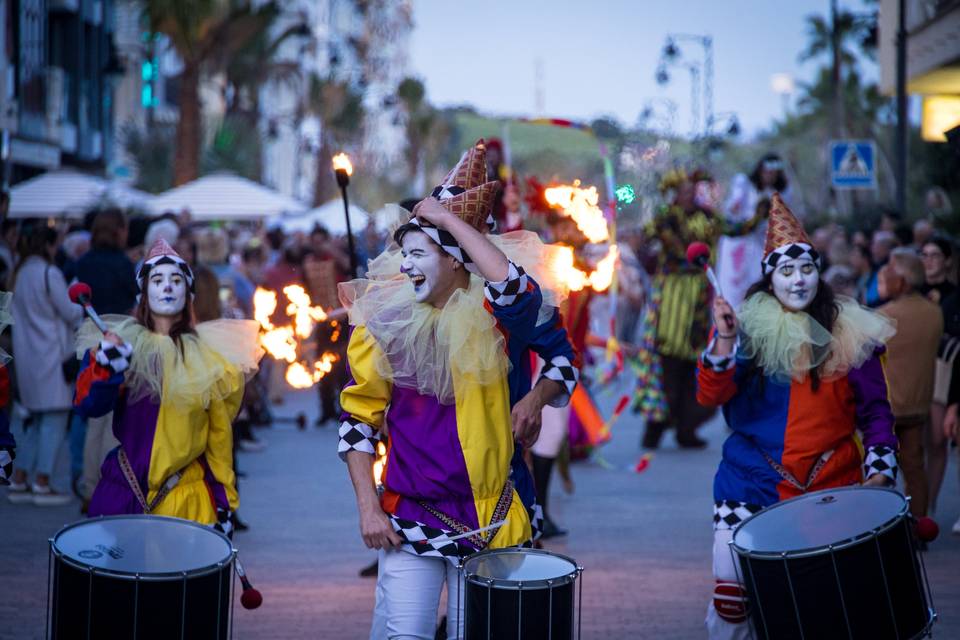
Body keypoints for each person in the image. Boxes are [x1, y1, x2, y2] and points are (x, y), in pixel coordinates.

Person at [339, 141, 557, 638]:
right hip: (412, 517)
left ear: (458, 260)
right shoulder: (384, 325)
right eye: (405, 254)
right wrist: (367, 508)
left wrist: (447, 220)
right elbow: (357, 422)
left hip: (492, 519)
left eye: (419, 254)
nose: (407, 266)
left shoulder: (496, 319)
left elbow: (517, 289)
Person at [697, 194, 898, 640]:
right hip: (749, 483)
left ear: (818, 272)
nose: (799, 279)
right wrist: (725, 341)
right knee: (732, 602)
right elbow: (711, 393)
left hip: (832, 488)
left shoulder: (848, 330)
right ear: (771, 279)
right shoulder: (746, 326)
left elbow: (876, 413)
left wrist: (880, 471)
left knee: (827, 607)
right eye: (787, 271)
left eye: (806, 268)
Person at [73, 239, 261, 530]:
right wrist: (107, 371)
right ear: (144, 292)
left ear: (188, 292)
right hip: (123, 495)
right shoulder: (120, 346)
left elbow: (219, 438)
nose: (168, 287)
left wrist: (224, 504)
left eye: (176, 280)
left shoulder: (210, 359)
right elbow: (89, 407)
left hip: (187, 504)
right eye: (157, 280)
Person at [635, 167, 766, 450]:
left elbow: (735, 228)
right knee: (668, 362)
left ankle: (687, 429)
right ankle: (655, 428)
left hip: (698, 295)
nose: (689, 194)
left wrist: (759, 215)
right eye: (683, 190)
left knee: (695, 362)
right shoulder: (665, 216)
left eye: (692, 189)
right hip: (671, 294)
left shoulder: (708, 217)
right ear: (675, 192)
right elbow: (647, 236)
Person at [7, 223, 85, 505]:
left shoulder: (19, 272)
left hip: (27, 356)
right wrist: (84, 305)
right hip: (52, 356)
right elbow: (69, 312)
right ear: (50, 245)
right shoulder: (48, 272)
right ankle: (42, 480)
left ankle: (20, 477)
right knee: (53, 419)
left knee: (34, 421)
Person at [73, 209, 140, 505]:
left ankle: (88, 486)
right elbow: (135, 300)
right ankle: (104, 484)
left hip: (91, 336)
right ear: (118, 231)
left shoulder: (83, 262)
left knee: (93, 418)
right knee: (113, 412)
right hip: (120, 337)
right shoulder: (124, 264)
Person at [879, 248, 943, 521]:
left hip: (885, 407)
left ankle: (881, 525)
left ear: (902, 280)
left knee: (879, 470)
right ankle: (919, 524)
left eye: (891, 271)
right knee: (915, 467)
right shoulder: (934, 312)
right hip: (918, 406)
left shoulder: (884, 316)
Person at [718, 153, 791, 309]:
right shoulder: (744, 184)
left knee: (757, 284)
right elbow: (733, 208)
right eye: (767, 171)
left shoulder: (780, 192)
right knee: (733, 287)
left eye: (774, 173)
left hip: (760, 247)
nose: (770, 175)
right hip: (737, 244)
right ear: (760, 170)